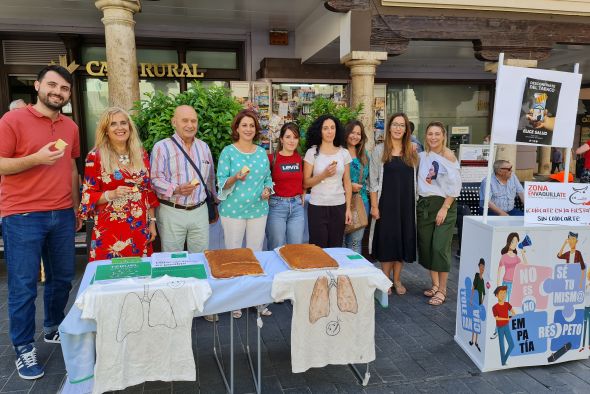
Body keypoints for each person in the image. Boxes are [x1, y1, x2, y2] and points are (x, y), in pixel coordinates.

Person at [0, 65, 80, 380]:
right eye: (52, 85)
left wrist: (75, 207)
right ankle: (23, 347)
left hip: (61, 213)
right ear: (37, 86)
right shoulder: (12, 120)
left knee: (61, 279)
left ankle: (52, 326)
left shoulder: (70, 127)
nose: (57, 92)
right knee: (22, 286)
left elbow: (72, 168)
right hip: (22, 215)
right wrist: (34, 159)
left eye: (63, 89)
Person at [78, 107, 158, 261]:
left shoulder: (140, 153)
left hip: (139, 226)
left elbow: (148, 190)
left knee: (140, 276)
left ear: (130, 126)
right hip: (110, 229)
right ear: (106, 130)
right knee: (110, 275)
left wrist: (152, 222)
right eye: (113, 124)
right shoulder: (95, 156)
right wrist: (110, 194)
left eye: (123, 123)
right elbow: (87, 196)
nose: (120, 128)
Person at [217, 109, 273, 318]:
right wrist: (235, 177)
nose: (248, 129)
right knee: (234, 254)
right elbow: (221, 182)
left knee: (255, 254)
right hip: (233, 211)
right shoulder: (228, 152)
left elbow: (268, 178)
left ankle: (256, 299)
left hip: (259, 209)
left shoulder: (261, 153)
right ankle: (235, 301)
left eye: (251, 125)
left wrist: (268, 189)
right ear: (237, 128)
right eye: (244, 125)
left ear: (255, 129)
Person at [151, 105, 217, 253]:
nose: (190, 125)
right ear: (174, 122)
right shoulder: (161, 147)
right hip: (172, 211)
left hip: (200, 210)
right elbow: (154, 179)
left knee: (201, 255)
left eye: (193, 121)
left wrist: (215, 202)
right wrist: (176, 189)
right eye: (185, 120)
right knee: (172, 257)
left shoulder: (204, 147)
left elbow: (210, 179)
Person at [369, 113, 417, 296]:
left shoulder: (412, 151)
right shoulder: (379, 150)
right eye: (395, 124)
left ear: (406, 129)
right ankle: (385, 279)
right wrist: (374, 206)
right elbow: (372, 181)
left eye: (402, 125)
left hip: (406, 204)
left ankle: (397, 279)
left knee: (402, 241)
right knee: (388, 241)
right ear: (389, 127)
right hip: (386, 203)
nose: (398, 128)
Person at [417, 121, 461, 306]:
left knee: (439, 247)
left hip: (444, 204)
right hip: (424, 205)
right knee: (427, 247)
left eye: (437, 134)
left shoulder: (449, 156)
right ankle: (434, 284)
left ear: (443, 136)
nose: (433, 137)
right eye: (430, 134)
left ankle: (443, 289)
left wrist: (445, 208)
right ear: (425, 136)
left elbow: (455, 185)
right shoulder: (422, 155)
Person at [303, 114, 352, 248]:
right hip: (317, 206)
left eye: (332, 128)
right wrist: (324, 174)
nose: (330, 131)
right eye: (325, 128)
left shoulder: (344, 153)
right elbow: (306, 183)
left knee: (336, 248)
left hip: (339, 206)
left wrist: (348, 209)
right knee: (318, 250)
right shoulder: (312, 153)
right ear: (319, 131)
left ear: (337, 130)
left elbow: (347, 182)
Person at [265, 122, 305, 250]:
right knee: (276, 247)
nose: (292, 140)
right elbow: (264, 181)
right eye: (288, 137)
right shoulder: (271, 159)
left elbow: (304, 180)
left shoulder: (301, 159)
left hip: (297, 207)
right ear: (281, 139)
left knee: (296, 248)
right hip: (276, 206)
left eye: (295, 137)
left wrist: (303, 192)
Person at [343, 120, 370, 254]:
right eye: (352, 132)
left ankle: (354, 272)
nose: (355, 136)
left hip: (361, 202)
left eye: (358, 133)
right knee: (340, 243)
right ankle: (340, 274)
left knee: (355, 242)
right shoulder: (339, 153)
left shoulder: (365, 156)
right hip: (341, 202)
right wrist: (347, 186)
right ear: (346, 133)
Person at [492, 286, 517, 366]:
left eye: (504, 293)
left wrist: (509, 317)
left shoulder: (507, 304)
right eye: (501, 293)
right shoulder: (494, 307)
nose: (503, 295)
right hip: (499, 327)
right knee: (502, 345)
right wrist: (506, 318)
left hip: (506, 326)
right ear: (496, 295)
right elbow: (497, 318)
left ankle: (503, 360)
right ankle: (503, 362)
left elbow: (513, 313)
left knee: (512, 344)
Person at [469, 258, 486, 351]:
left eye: (483, 267)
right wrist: (471, 299)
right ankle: (472, 340)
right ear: (479, 267)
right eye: (481, 266)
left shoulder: (483, 280)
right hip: (475, 301)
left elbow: (484, 293)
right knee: (474, 321)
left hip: (479, 303)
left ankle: (476, 341)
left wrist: (482, 303)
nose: (482, 268)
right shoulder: (476, 276)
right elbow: (473, 287)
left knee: (477, 322)